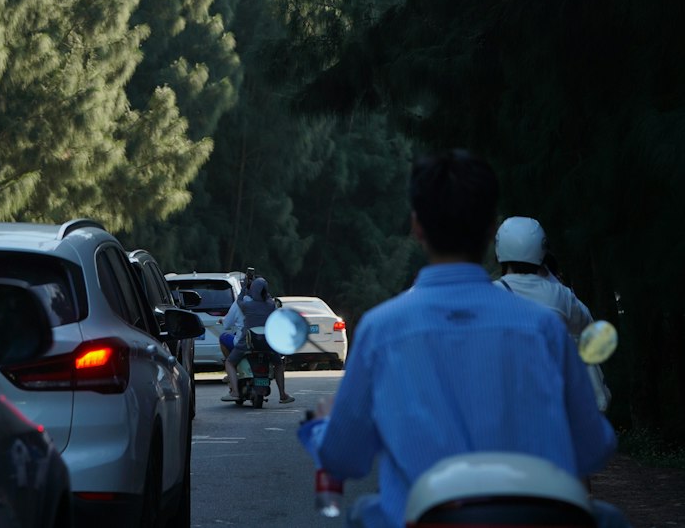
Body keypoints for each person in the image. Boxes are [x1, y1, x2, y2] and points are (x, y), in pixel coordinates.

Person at [299, 150, 630, 528]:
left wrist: (322, 426)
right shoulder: (545, 329)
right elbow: (592, 450)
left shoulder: (380, 330)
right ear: (490, 229)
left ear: (417, 227)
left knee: (363, 515)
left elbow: (345, 459)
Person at [495, 215, 611, 411]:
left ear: (500, 250)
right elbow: (590, 328)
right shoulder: (560, 295)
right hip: (564, 407)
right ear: (542, 249)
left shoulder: (490, 294)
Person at [223, 275, 295, 403]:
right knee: (278, 364)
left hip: (248, 343)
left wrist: (245, 286)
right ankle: (283, 394)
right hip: (268, 344)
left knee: (229, 362)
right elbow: (268, 299)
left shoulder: (247, 305)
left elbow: (239, 300)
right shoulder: (271, 305)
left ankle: (234, 392)